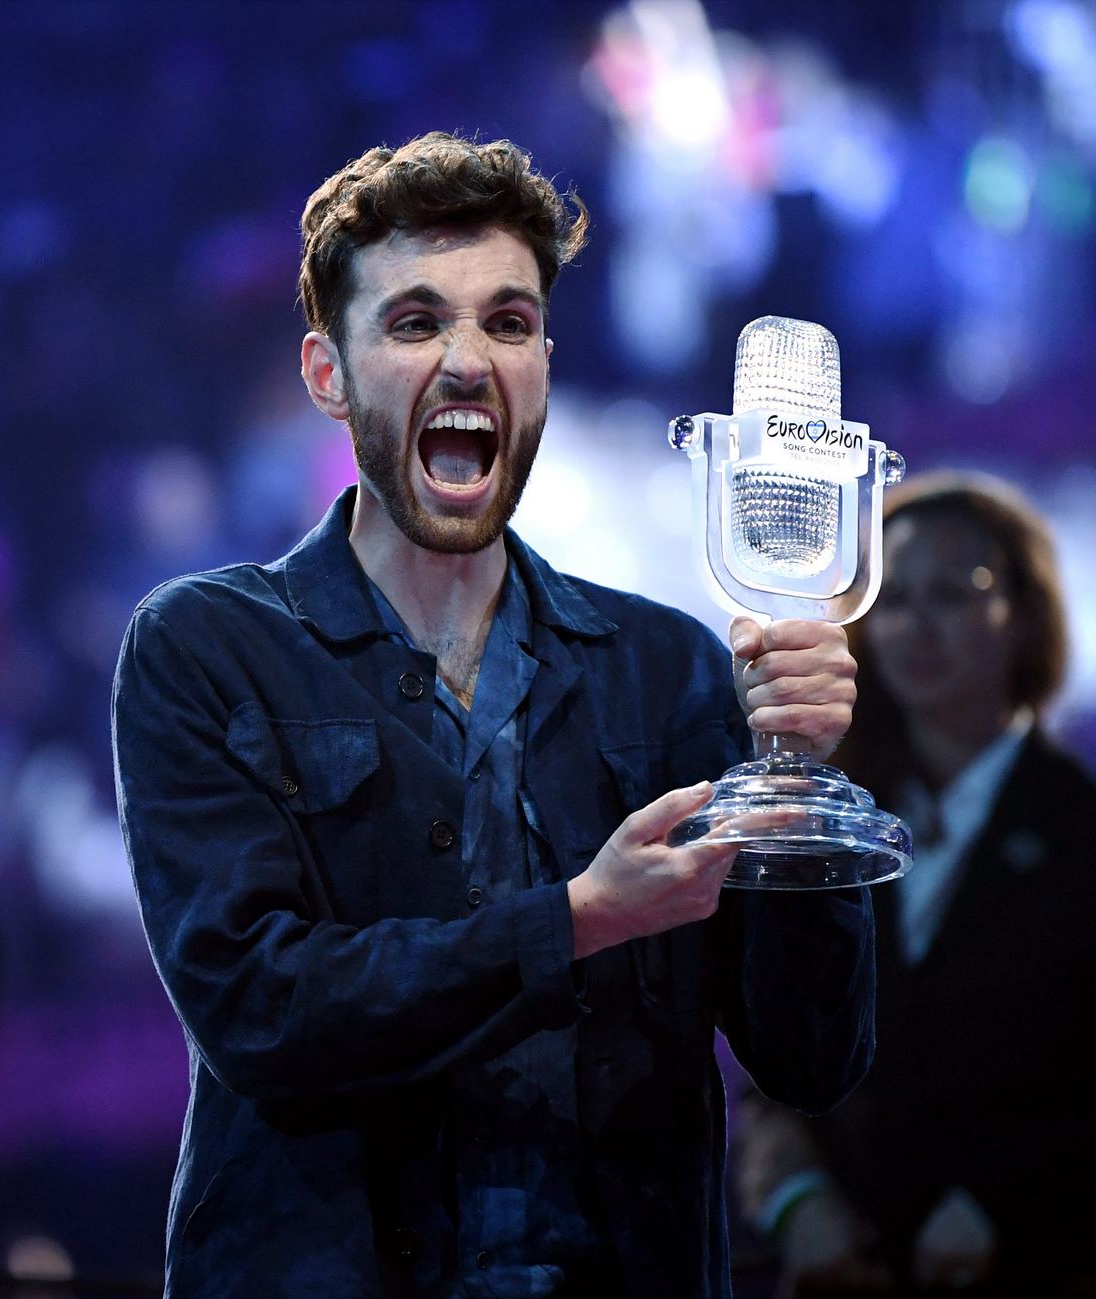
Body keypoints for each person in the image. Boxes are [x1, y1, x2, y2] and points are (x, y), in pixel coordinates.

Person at [111, 131, 876, 1298]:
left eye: (508, 323)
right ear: (329, 373)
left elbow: (811, 1059)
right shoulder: (209, 646)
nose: (468, 359)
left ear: (545, 368)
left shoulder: (668, 669)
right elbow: (263, 1012)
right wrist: (573, 921)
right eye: (417, 323)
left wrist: (801, 781)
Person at [736, 473, 1096, 1297]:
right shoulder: (829, 821)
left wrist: (1001, 1208)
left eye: (955, 593)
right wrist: (798, 1201)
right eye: (896, 598)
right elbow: (776, 1062)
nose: (917, 625)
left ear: (1026, 613)